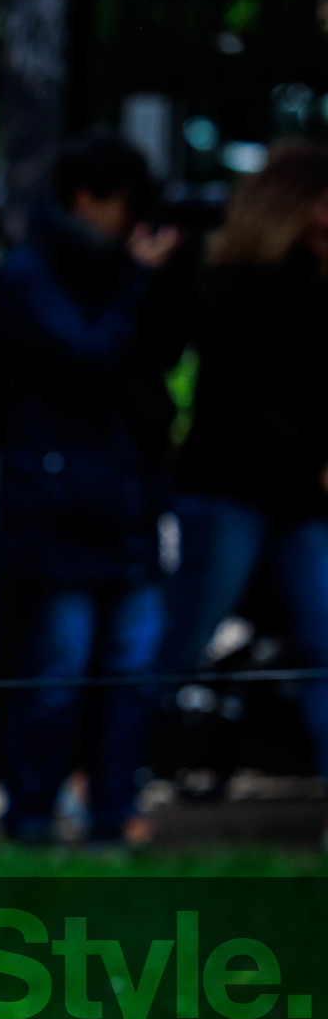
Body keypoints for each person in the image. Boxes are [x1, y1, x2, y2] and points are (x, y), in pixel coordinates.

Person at [0, 132, 187, 845]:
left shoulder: (126, 270)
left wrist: (156, 277)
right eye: (128, 205)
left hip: (129, 498)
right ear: (88, 199)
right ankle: (31, 820)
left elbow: (160, 354)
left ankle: (112, 816)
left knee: (133, 672)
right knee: (58, 673)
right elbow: (88, 354)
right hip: (58, 504)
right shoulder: (30, 272)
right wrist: (138, 278)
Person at [158, 143, 328, 837]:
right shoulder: (232, 285)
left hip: (304, 502)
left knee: (325, 644)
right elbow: (239, 398)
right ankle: (102, 785)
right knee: (181, 638)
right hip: (233, 490)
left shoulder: (316, 282)